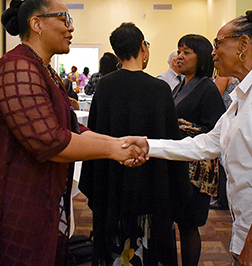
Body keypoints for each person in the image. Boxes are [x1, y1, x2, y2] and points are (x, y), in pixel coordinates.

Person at [0, 0, 146, 266]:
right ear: (37, 24)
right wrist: (113, 149)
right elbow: (49, 140)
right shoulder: (16, 67)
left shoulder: (43, 70)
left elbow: (73, 127)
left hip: (42, 194)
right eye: (64, 19)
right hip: (15, 196)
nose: (71, 28)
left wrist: (119, 142)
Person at [127, 7, 252, 266]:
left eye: (218, 43)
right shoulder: (243, 96)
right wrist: (148, 145)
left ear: (243, 45)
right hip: (247, 229)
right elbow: (206, 143)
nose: (213, 52)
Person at [79, 22, 192, 266]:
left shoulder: (105, 86)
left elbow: (95, 133)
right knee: (150, 249)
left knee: (114, 247)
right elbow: (171, 139)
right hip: (153, 182)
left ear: (117, 53)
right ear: (143, 47)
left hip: (112, 180)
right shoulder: (159, 89)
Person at [172, 34, 226, 266]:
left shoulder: (208, 88)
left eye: (186, 52)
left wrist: (181, 127)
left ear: (201, 56)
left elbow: (214, 131)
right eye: (179, 51)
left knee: (189, 223)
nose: (179, 56)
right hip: (177, 164)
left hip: (196, 170)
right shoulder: (179, 86)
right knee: (179, 221)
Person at [210, 75, 239, 210]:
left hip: (226, 120)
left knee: (223, 159)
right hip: (230, 119)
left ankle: (223, 200)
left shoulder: (224, 76)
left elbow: (214, 97)